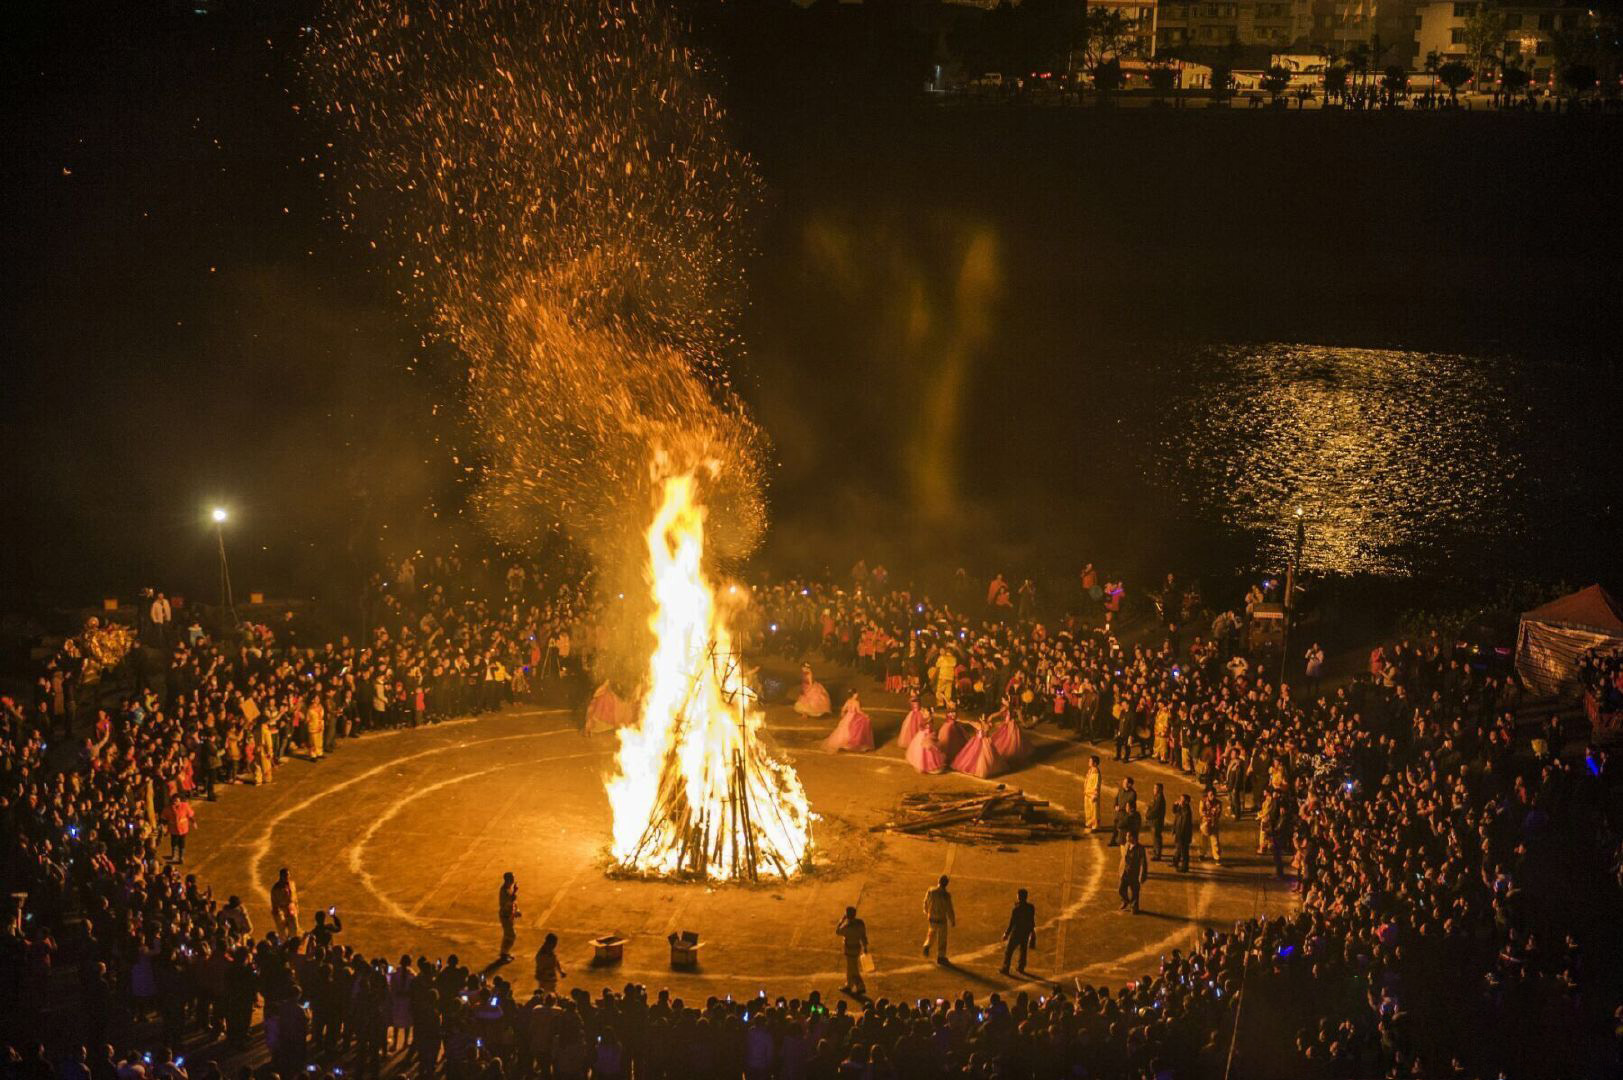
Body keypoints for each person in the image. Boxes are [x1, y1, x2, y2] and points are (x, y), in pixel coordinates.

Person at [1000, 889, 1037, 974]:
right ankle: (1021, 967)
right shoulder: (1031, 907)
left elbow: (1012, 922)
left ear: (1019, 897)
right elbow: (1031, 920)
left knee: (1009, 951)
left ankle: (1006, 968)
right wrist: (1032, 932)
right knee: (1023, 950)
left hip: (1016, 932)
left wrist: (1006, 933)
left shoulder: (1016, 909)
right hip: (1026, 932)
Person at [921, 875, 955, 964]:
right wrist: (952, 920)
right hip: (941, 919)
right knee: (942, 938)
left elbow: (925, 902)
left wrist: (926, 911)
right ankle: (941, 956)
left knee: (931, 933)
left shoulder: (931, 890)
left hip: (931, 917)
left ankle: (927, 945)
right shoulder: (946, 895)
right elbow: (949, 909)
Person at [836, 907, 869, 995]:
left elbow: (838, 931)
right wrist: (865, 947)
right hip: (857, 948)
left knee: (853, 969)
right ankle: (849, 985)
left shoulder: (846, 926)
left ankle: (860, 986)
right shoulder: (860, 923)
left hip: (849, 949)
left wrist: (842, 920)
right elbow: (863, 936)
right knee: (850, 968)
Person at [1118, 831, 1149, 913]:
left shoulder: (1140, 849)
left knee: (1135, 891)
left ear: (1133, 837)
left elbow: (1143, 863)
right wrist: (1120, 870)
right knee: (1121, 889)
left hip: (1134, 874)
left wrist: (1141, 875)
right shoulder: (1127, 845)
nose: (1126, 838)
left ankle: (1134, 906)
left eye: (1128, 836)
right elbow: (1123, 859)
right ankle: (1125, 900)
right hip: (1125, 872)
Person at [165, 794, 195, 863]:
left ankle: (181, 857)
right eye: (174, 801)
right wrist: (166, 828)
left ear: (180, 801)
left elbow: (189, 815)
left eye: (176, 801)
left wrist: (193, 822)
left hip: (183, 829)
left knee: (182, 842)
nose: (175, 802)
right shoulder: (168, 808)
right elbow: (164, 818)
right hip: (173, 829)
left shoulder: (185, 806)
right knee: (174, 842)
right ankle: (174, 855)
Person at [270, 867, 299, 938]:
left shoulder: (292, 884)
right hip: (281, 911)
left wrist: (296, 908)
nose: (287, 877)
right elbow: (274, 903)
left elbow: (295, 897)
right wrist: (279, 913)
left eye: (288, 875)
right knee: (283, 933)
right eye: (285, 875)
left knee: (294, 929)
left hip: (291, 909)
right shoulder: (276, 889)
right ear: (281, 876)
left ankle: (292, 942)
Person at [498, 871, 520, 962]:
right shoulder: (504, 891)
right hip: (506, 916)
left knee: (508, 935)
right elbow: (507, 903)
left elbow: (512, 901)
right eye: (512, 879)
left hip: (509, 916)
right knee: (510, 935)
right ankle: (503, 954)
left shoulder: (508, 889)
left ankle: (505, 953)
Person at [1109, 776, 1137, 846]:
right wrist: (1115, 805)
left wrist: (1119, 807)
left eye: (1125, 782)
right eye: (1124, 782)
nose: (1123, 783)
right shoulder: (1121, 790)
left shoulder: (1133, 793)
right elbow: (1116, 798)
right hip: (1118, 813)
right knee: (1115, 828)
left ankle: (1126, 842)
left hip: (1125, 815)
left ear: (1130, 784)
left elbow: (1128, 803)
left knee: (1125, 829)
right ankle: (1113, 841)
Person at [1200, 787, 1224, 865]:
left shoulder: (1218, 803)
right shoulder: (1203, 802)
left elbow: (1218, 813)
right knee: (1204, 840)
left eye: (1213, 794)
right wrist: (1207, 817)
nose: (1212, 796)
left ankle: (1217, 857)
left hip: (1214, 824)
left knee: (1215, 841)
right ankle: (1202, 854)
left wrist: (1212, 817)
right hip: (1205, 824)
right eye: (1211, 795)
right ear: (1207, 795)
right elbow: (1201, 811)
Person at [1171, 794, 1194, 872]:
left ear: (1187, 802)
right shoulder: (1181, 808)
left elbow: (1184, 825)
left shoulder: (1186, 811)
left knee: (1184, 851)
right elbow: (1174, 812)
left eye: (1182, 800)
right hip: (1179, 832)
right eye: (1180, 799)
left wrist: (1179, 835)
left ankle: (1185, 867)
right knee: (1178, 849)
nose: (1180, 801)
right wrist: (1174, 804)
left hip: (1183, 835)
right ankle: (1175, 862)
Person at [1145, 782, 1167, 860]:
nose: (1154, 790)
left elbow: (1156, 810)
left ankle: (1157, 854)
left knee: (1156, 838)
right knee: (1155, 837)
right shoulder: (1156, 797)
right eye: (1154, 788)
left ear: (1160, 790)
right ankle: (1155, 851)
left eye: (1156, 788)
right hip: (1154, 821)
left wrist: (1148, 815)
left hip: (1157, 822)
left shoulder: (1160, 798)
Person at [1083, 756, 1102, 831]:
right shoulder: (1090, 770)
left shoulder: (1096, 772)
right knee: (1088, 809)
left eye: (1090, 761)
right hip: (1087, 793)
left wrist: (1094, 795)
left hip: (1092, 795)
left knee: (1094, 811)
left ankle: (1095, 826)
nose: (1089, 762)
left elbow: (1096, 784)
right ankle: (1089, 823)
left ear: (1095, 763)